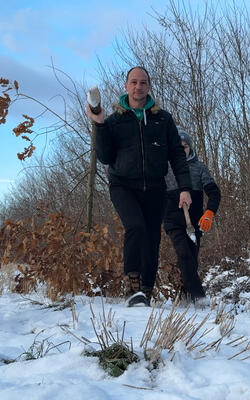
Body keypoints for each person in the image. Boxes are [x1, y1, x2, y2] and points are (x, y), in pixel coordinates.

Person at [86, 66, 192, 307]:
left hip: (155, 187)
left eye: (143, 82)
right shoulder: (115, 120)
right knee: (136, 227)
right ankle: (132, 284)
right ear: (126, 86)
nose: (138, 87)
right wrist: (100, 124)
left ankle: (146, 288)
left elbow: (177, 154)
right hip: (123, 185)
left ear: (149, 86)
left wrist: (184, 188)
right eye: (133, 82)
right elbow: (104, 157)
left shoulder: (162, 119)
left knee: (153, 237)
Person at [163, 129, 221, 304]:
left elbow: (214, 192)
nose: (181, 150)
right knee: (184, 254)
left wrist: (209, 213)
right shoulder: (165, 168)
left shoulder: (199, 167)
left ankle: (184, 296)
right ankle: (199, 297)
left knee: (191, 261)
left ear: (190, 147)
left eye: (185, 146)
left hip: (195, 221)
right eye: (177, 147)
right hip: (173, 219)